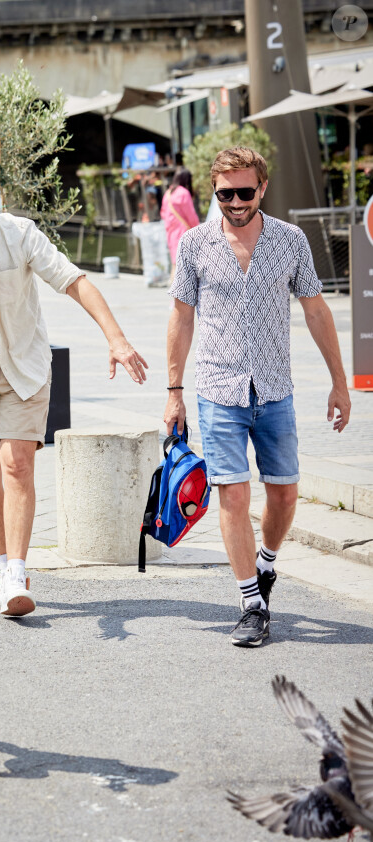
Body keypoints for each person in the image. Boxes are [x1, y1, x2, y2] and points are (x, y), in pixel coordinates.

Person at [0, 157, 148, 619]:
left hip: (24, 364)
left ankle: (16, 571)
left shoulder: (19, 233)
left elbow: (74, 281)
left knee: (17, 463)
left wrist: (116, 339)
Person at [164, 146, 351, 648]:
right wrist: (174, 391)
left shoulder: (291, 241)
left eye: (245, 191)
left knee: (285, 491)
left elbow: (316, 311)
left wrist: (339, 381)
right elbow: (181, 319)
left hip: (275, 390)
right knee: (233, 492)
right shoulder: (195, 245)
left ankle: (266, 564)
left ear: (262, 188)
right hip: (219, 389)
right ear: (214, 193)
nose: (236, 201)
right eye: (226, 193)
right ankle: (250, 604)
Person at [160, 168, 199, 269]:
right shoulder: (183, 193)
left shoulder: (168, 193)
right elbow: (191, 215)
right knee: (184, 265)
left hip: (171, 232)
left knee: (175, 263)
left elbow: (163, 214)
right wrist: (199, 231)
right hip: (184, 231)